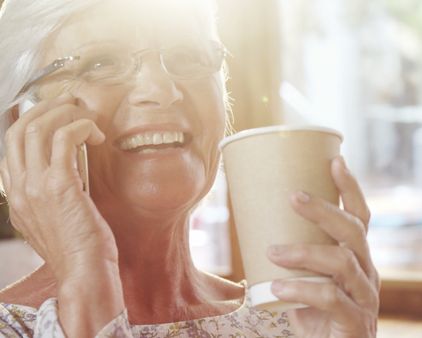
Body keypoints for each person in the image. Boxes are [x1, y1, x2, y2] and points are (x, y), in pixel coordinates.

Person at [0, 0, 380, 337]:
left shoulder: (293, 320)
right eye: (100, 63)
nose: (163, 89)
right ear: (21, 123)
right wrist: (87, 278)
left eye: (188, 56)